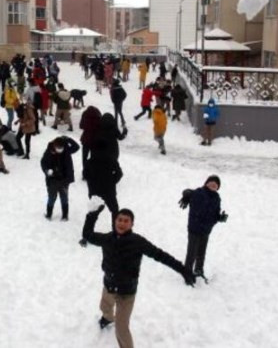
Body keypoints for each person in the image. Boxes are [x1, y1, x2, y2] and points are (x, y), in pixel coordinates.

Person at [81, 204, 195, 348]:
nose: (122, 223)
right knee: (104, 306)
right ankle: (108, 318)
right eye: (119, 219)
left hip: (126, 292)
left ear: (132, 224)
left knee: (121, 329)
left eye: (126, 221)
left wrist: (182, 269)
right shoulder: (107, 238)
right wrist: (92, 215)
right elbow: (87, 235)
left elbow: (160, 255)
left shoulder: (138, 242)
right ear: (115, 221)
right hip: (109, 284)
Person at [178, 175, 228, 283]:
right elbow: (188, 191)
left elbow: (215, 214)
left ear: (217, 188)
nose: (213, 185)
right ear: (206, 183)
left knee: (201, 253)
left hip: (206, 230)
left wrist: (220, 217)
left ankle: (198, 270)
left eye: (216, 185)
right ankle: (187, 273)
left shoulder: (217, 198)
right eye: (211, 183)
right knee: (192, 253)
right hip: (194, 229)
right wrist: (186, 194)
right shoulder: (199, 192)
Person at [40, 136, 80, 221]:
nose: (60, 149)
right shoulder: (49, 151)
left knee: (64, 198)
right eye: (58, 148)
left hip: (65, 180)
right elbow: (43, 162)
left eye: (61, 148)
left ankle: (65, 215)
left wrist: (68, 139)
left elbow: (77, 147)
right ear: (54, 146)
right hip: (52, 180)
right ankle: (49, 214)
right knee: (51, 198)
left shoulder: (67, 149)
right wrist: (47, 171)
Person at [79, 106, 102, 179]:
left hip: (86, 139)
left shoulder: (85, 114)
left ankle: (85, 174)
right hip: (95, 140)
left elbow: (81, 126)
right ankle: (92, 172)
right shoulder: (98, 116)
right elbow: (100, 127)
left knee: (84, 157)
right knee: (93, 158)